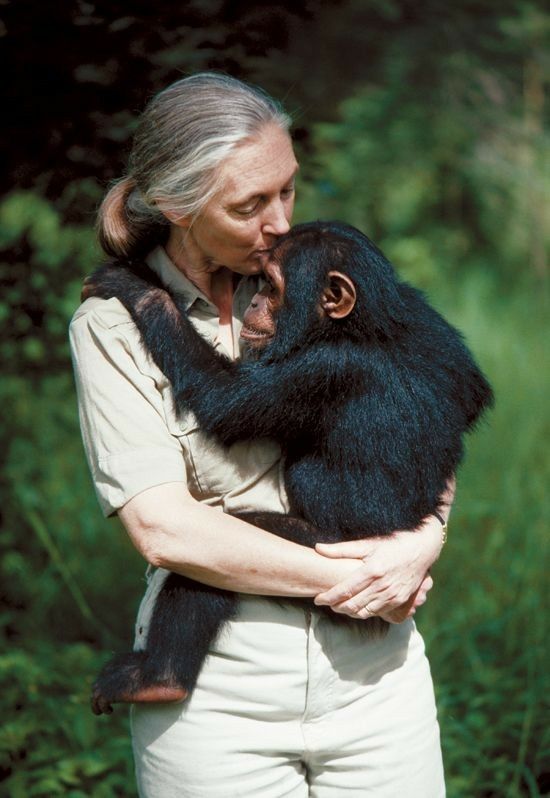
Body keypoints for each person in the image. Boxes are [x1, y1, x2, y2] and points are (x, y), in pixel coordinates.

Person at [70, 72, 453, 798]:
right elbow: (166, 530)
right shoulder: (111, 327)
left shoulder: (319, 278)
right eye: (251, 205)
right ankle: (164, 672)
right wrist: (367, 579)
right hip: (223, 692)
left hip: (377, 675)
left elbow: (434, 403)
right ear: (180, 209)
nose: (280, 223)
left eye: (289, 190)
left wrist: (427, 535)